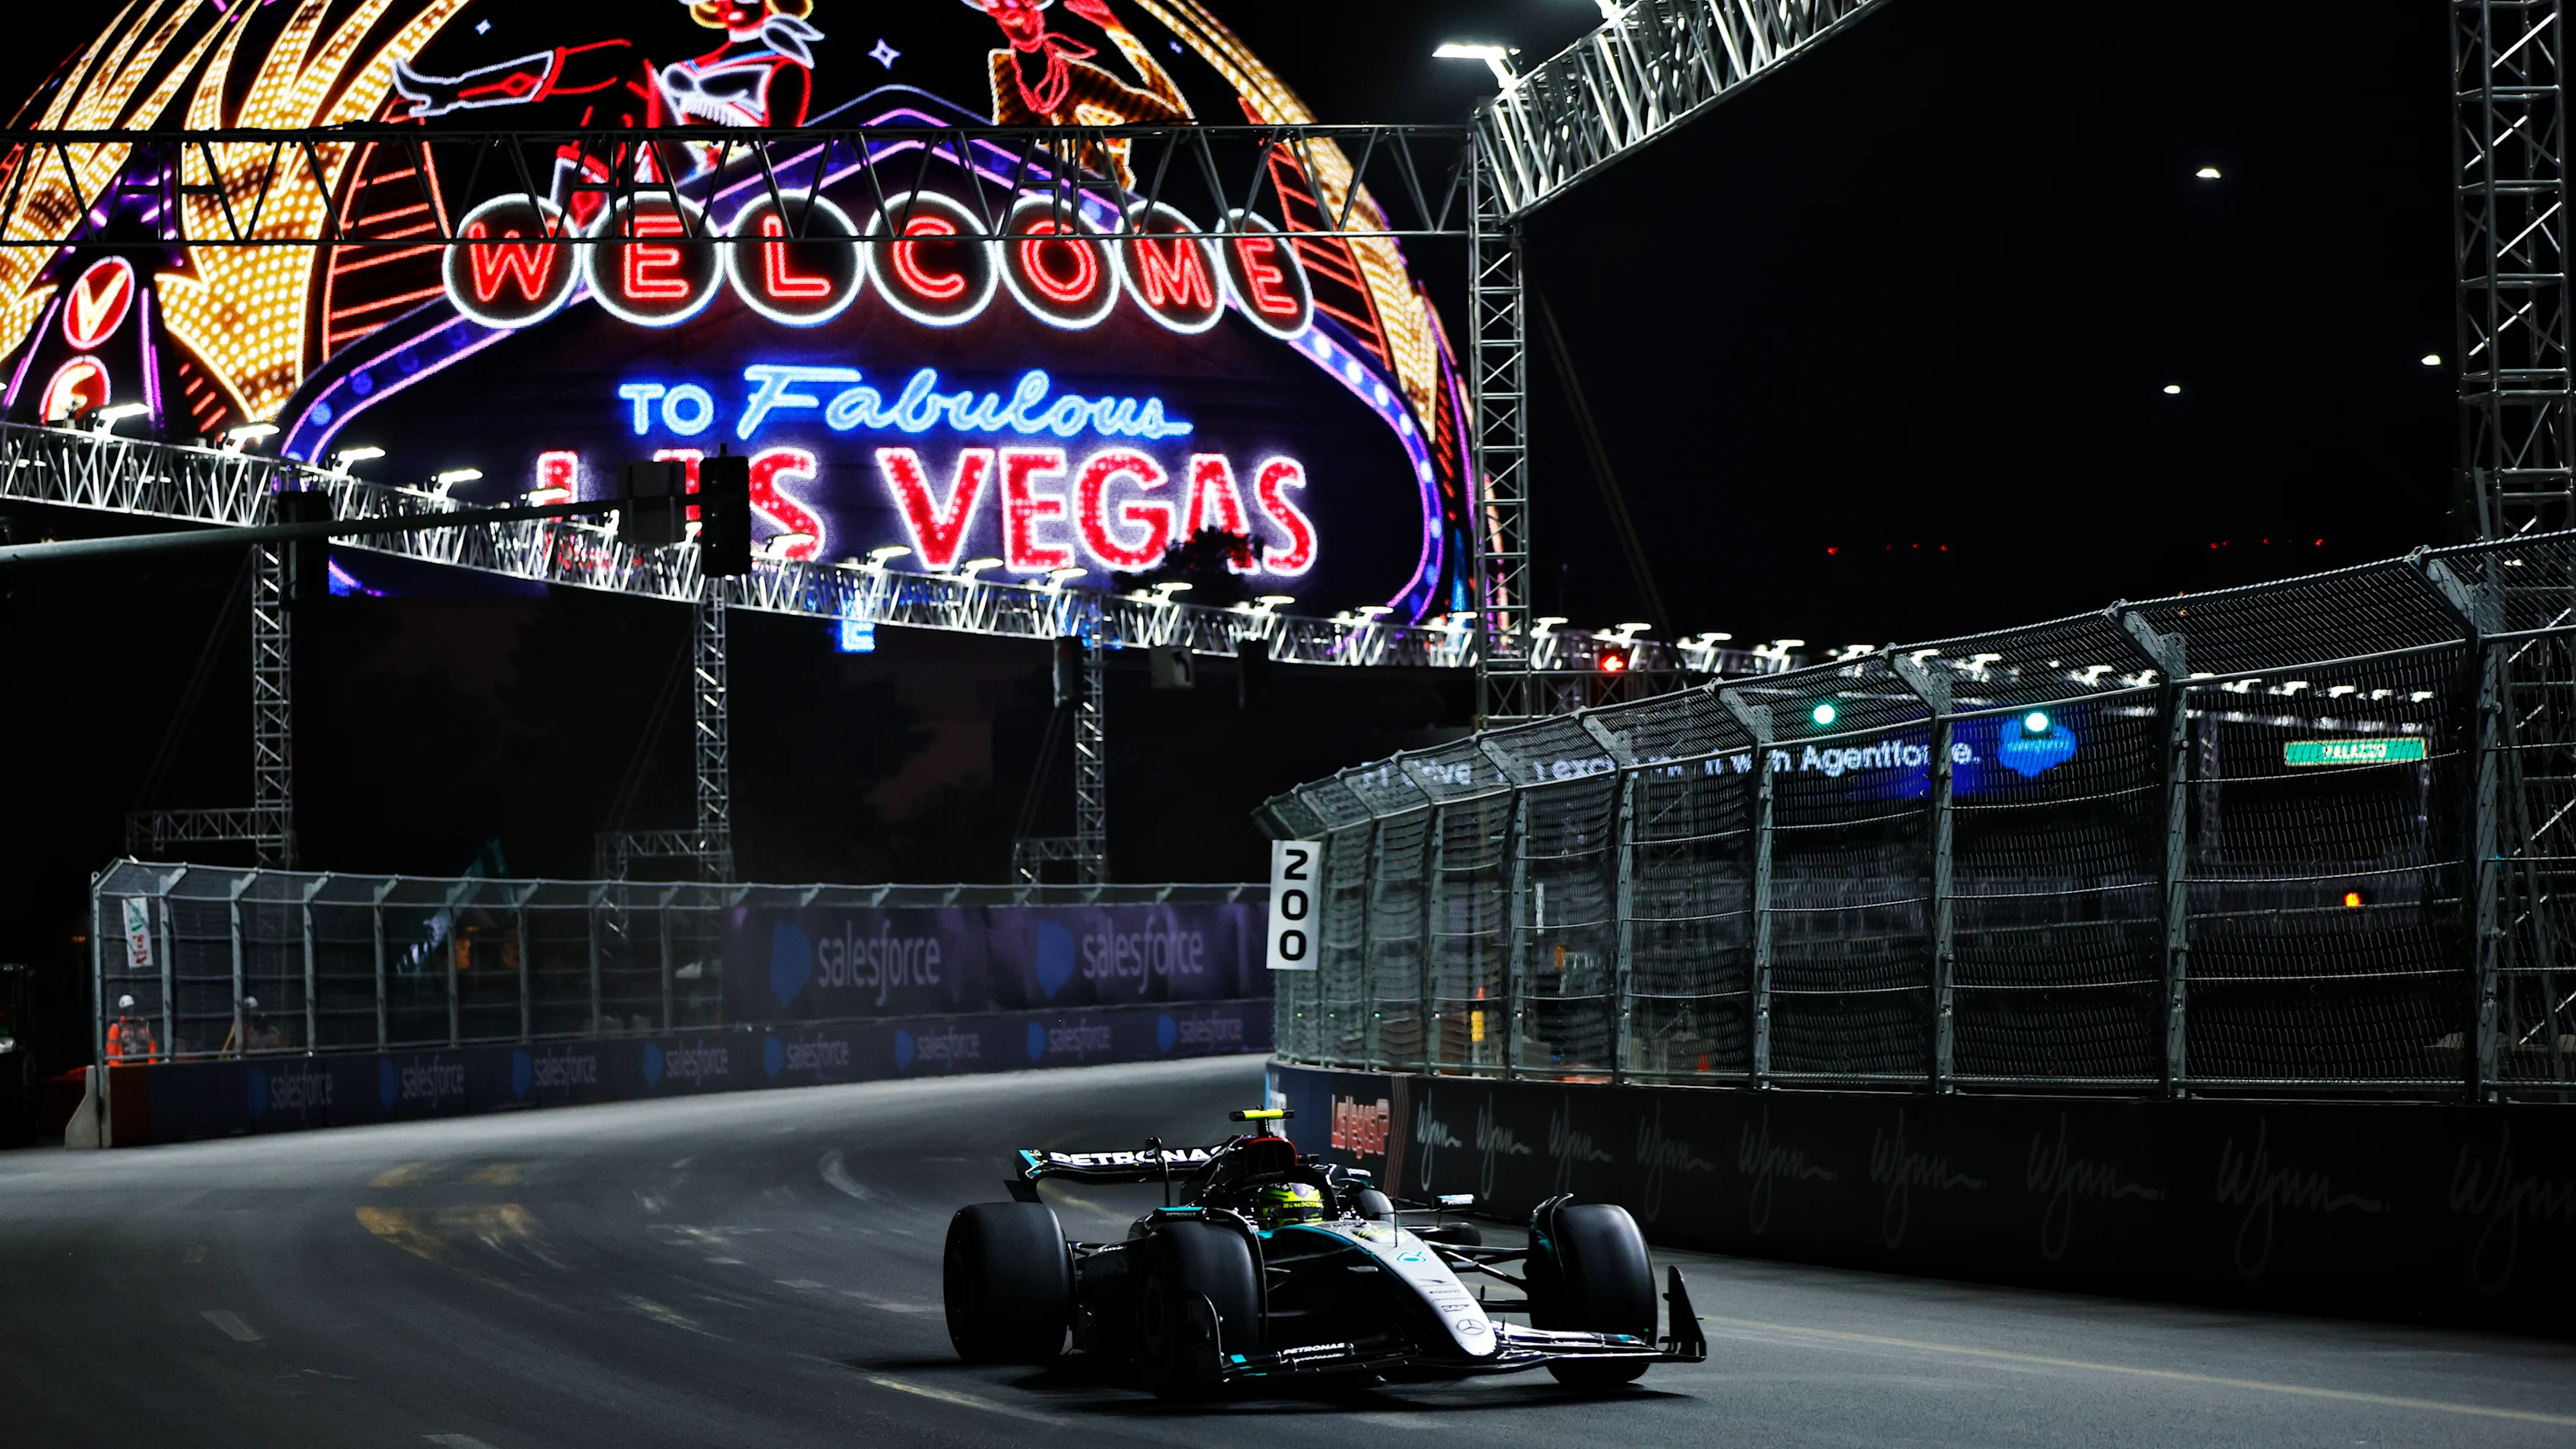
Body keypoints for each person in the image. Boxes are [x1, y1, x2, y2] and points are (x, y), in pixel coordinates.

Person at [220, 996, 286, 1056]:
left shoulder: (260, 1026)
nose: (243, 1012)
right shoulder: (247, 1025)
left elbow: (253, 1042)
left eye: (245, 1010)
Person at [106, 995, 157, 1063]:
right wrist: (117, 1071)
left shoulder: (143, 1026)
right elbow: (112, 1054)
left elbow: (152, 1047)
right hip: (124, 1066)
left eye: (132, 1008)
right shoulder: (116, 1028)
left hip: (144, 1065)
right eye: (127, 1009)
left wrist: (152, 1065)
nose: (131, 1011)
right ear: (122, 1011)